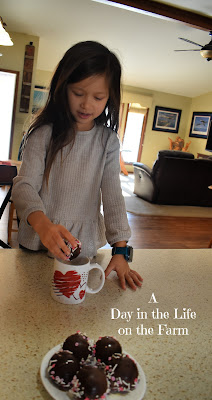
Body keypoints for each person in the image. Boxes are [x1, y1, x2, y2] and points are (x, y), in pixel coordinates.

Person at [12, 41, 143, 291]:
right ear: (63, 88)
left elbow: (113, 196)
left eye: (98, 97)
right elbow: (24, 185)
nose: (87, 105)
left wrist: (121, 251)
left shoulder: (107, 141)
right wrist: (43, 225)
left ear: (110, 97)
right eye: (78, 93)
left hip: (84, 247)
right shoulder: (42, 134)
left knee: (77, 312)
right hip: (38, 244)